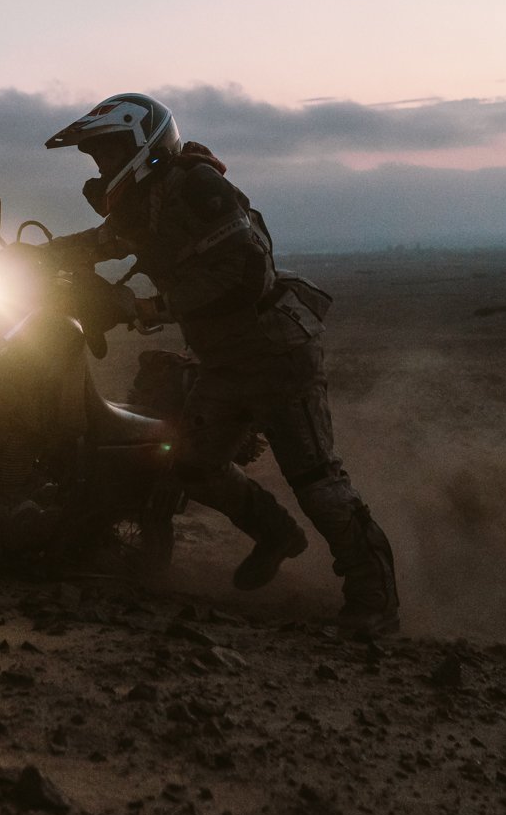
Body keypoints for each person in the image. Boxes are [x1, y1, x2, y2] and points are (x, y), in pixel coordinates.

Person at [44, 93, 399, 635]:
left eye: (110, 155)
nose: (103, 168)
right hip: (225, 359)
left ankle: (374, 602)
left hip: (275, 352)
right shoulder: (148, 202)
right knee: (192, 464)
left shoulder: (199, 188)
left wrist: (149, 308)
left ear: (144, 146)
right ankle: (276, 533)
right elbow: (99, 243)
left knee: (315, 478)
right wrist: (24, 257)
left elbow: (244, 271)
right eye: (98, 160)